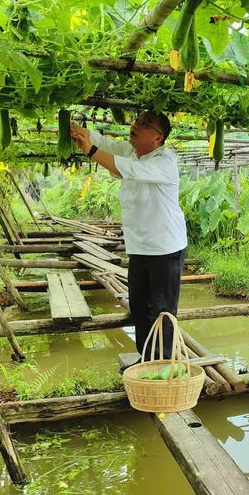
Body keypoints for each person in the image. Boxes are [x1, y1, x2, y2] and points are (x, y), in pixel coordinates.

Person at [69, 111, 187, 367]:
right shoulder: (133, 152)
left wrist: (91, 152)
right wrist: (81, 132)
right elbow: (108, 145)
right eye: (137, 120)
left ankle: (164, 367)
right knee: (139, 307)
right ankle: (147, 361)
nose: (135, 125)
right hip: (140, 247)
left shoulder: (164, 161)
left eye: (144, 124)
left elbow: (131, 170)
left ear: (158, 138)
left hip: (165, 248)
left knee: (162, 312)